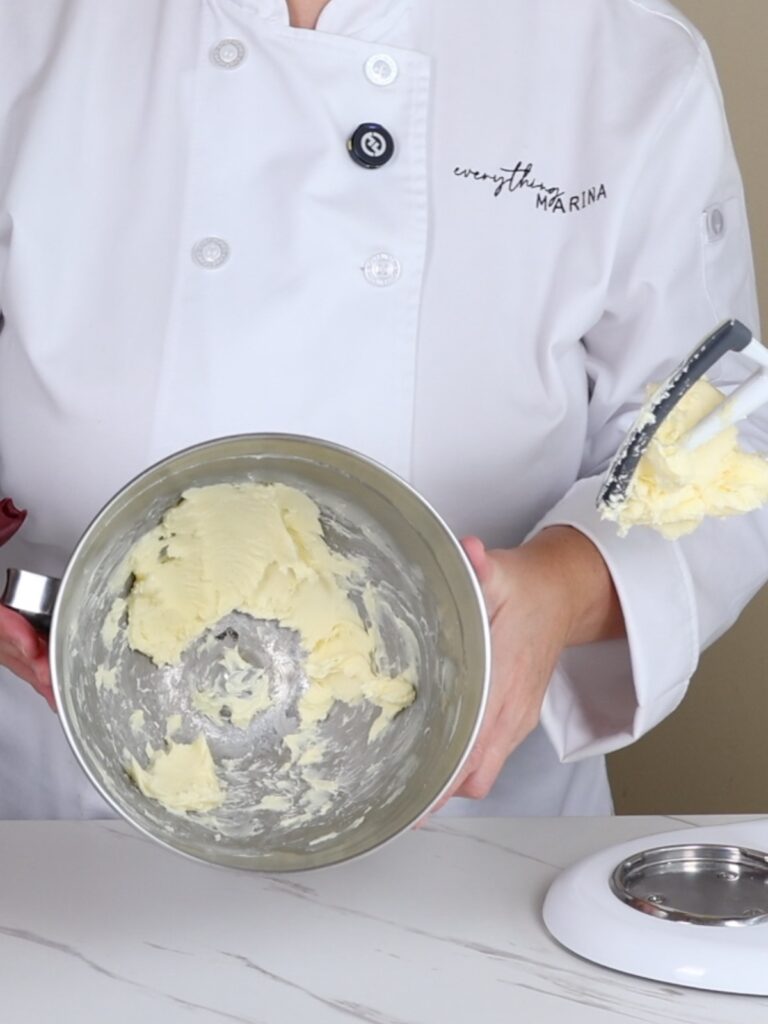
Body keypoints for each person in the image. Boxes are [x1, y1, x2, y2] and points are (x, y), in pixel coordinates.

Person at [0, 0, 765, 819]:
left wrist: (563, 590)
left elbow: (723, 436)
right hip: (61, 808)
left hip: (465, 823)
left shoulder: (621, 56)